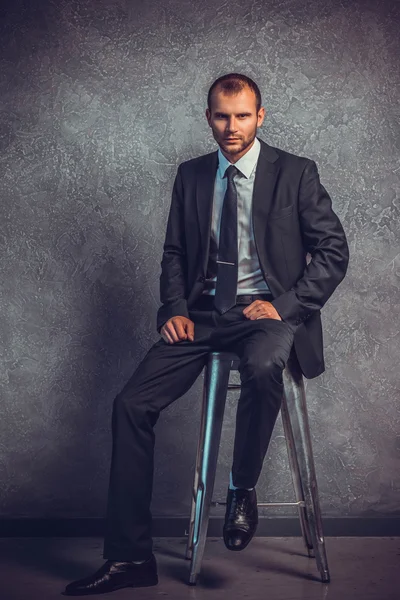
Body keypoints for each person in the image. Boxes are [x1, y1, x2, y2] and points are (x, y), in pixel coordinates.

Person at [64, 73, 349, 595]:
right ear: (208, 118)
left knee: (264, 366)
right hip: (202, 316)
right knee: (130, 405)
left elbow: (333, 252)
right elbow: (174, 253)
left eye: (242, 116)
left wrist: (283, 306)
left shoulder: (296, 173)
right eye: (221, 116)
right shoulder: (192, 175)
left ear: (260, 117)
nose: (231, 127)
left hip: (265, 316)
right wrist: (172, 308)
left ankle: (242, 490)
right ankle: (130, 559)